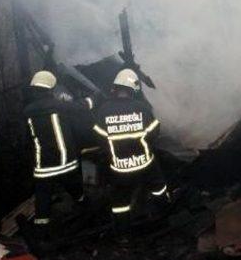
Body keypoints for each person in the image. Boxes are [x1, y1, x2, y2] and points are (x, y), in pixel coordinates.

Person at [92, 68, 169, 237]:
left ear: (116, 88)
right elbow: (154, 131)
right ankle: (166, 215)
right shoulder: (141, 108)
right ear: (134, 88)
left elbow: (99, 137)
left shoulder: (104, 111)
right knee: (158, 187)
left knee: (120, 202)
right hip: (144, 163)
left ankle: (123, 235)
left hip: (120, 168)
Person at [24, 70, 93, 237]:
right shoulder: (57, 105)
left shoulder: (28, 111)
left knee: (43, 199)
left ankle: (42, 231)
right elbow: (82, 106)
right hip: (65, 162)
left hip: (43, 166)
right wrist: (94, 98)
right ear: (49, 89)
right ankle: (86, 208)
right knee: (76, 189)